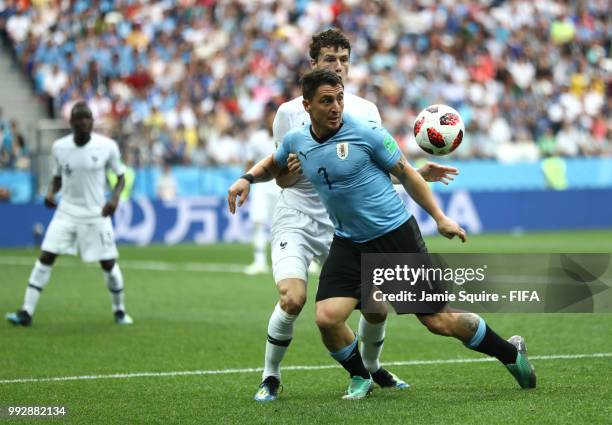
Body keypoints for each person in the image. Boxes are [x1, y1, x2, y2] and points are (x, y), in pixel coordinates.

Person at [228, 69, 536, 400]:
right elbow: (272, 165)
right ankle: (361, 376)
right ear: (307, 105)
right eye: (326, 101)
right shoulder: (297, 140)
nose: (335, 107)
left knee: (439, 321)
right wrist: (246, 178)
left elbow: (406, 173)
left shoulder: (368, 134)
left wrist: (441, 218)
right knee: (327, 318)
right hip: (349, 242)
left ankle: (510, 353)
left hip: (394, 237)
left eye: (340, 99)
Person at [240, 29, 459, 402]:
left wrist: (415, 173)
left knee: (376, 308)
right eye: (329, 59)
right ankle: (271, 375)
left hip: (343, 225)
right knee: (292, 299)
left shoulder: (364, 111)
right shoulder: (289, 114)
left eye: (343, 59)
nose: (338, 66)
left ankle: (370, 370)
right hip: (296, 215)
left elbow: (376, 168)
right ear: (313, 64)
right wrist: (268, 175)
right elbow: (283, 173)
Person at [6, 102, 134, 327]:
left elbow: (121, 176)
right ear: (71, 122)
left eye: (88, 118)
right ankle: (26, 311)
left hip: (96, 214)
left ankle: (119, 310)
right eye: (80, 118)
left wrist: (114, 199)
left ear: (93, 122)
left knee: (109, 265)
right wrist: (50, 193)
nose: (84, 122)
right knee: (46, 257)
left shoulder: (107, 146)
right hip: (66, 212)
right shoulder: (59, 147)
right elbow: (58, 177)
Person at [243, 107, 280, 275]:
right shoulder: (256, 139)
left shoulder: (287, 137)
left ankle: (297, 262)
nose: (272, 121)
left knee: (283, 224)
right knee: (258, 222)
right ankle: (259, 261)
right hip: (261, 186)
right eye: (270, 117)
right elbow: (249, 162)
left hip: (281, 186)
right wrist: (246, 183)